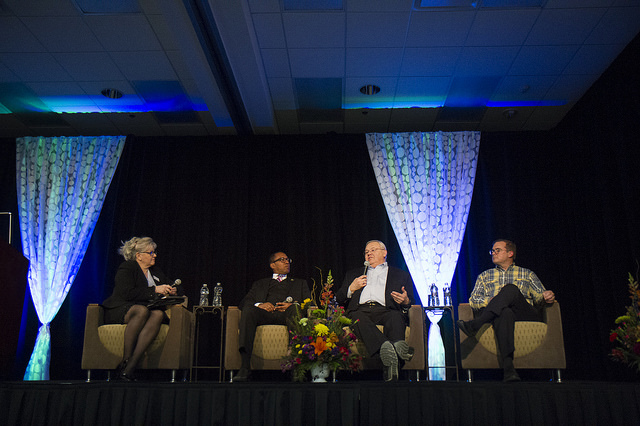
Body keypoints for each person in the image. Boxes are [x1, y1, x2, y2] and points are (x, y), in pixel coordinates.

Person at [457, 239, 555, 382]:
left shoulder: (526, 274)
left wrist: (547, 296)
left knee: (510, 289)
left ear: (510, 253)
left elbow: (539, 296)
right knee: (504, 312)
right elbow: (474, 301)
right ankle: (509, 370)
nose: (493, 253)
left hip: (524, 313)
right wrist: (490, 302)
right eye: (492, 251)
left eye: (498, 250)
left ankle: (475, 324)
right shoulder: (485, 276)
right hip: (499, 315)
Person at [102, 237, 180, 381]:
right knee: (142, 311)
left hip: (147, 310)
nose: (154, 255)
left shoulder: (155, 271)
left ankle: (130, 366)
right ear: (138, 255)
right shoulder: (128, 268)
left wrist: (172, 290)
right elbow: (127, 293)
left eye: (154, 252)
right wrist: (155, 290)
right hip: (121, 308)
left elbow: (172, 285)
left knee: (157, 314)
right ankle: (126, 358)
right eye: (150, 253)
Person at [335, 240, 415, 381]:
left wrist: (405, 301)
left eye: (373, 250)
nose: (369, 254)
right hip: (361, 311)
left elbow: (410, 302)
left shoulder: (400, 275)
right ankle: (390, 347)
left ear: (384, 253)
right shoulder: (354, 274)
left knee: (396, 317)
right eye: (366, 252)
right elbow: (339, 299)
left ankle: (392, 348)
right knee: (356, 317)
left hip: (386, 310)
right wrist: (351, 288)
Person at [235, 251, 311, 382]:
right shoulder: (260, 283)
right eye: (282, 259)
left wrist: (293, 305)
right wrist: (260, 304)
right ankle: (245, 366)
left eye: (288, 259)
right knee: (248, 309)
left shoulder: (300, 283)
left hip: (288, 315)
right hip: (265, 315)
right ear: (272, 265)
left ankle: (296, 367)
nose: (287, 262)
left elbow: (310, 304)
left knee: (296, 309)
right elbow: (244, 302)